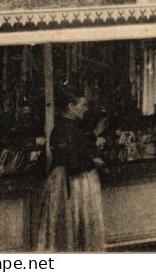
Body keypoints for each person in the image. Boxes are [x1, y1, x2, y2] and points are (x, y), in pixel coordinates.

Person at [37, 89, 106, 252]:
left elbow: (77, 145)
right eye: (83, 105)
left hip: (69, 182)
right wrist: (94, 162)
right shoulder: (64, 129)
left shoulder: (67, 127)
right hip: (70, 184)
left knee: (71, 226)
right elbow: (74, 163)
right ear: (70, 106)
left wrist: (95, 133)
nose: (86, 109)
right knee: (73, 223)